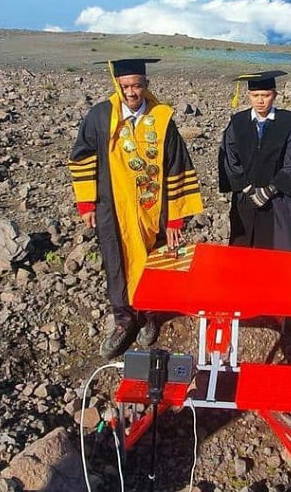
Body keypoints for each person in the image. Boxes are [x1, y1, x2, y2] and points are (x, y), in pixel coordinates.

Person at [68, 59, 203, 358]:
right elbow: (82, 157)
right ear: (117, 85)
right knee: (116, 261)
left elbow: (178, 166)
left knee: (154, 262)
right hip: (111, 207)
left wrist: (175, 221)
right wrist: (87, 202)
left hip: (153, 212)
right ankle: (124, 320)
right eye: (125, 86)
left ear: (146, 85)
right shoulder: (101, 115)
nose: (131, 92)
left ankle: (151, 315)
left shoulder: (162, 118)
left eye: (137, 86)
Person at [218, 70, 291, 252]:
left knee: (277, 251)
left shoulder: (287, 123)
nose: (260, 100)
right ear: (248, 95)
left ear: (274, 95)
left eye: (265, 95)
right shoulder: (237, 122)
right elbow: (229, 157)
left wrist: (269, 190)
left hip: (278, 199)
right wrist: (247, 188)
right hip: (246, 196)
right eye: (255, 95)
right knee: (243, 247)